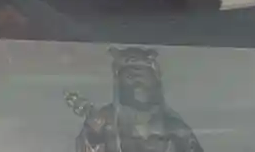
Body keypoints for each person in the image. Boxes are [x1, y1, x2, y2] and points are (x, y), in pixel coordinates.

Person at [67, 48, 203, 152]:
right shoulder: (105, 121)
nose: (137, 83)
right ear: (119, 83)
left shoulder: (175, 128)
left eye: (143, 76)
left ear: (155, 82)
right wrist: (93, 135)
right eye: (130, 76)